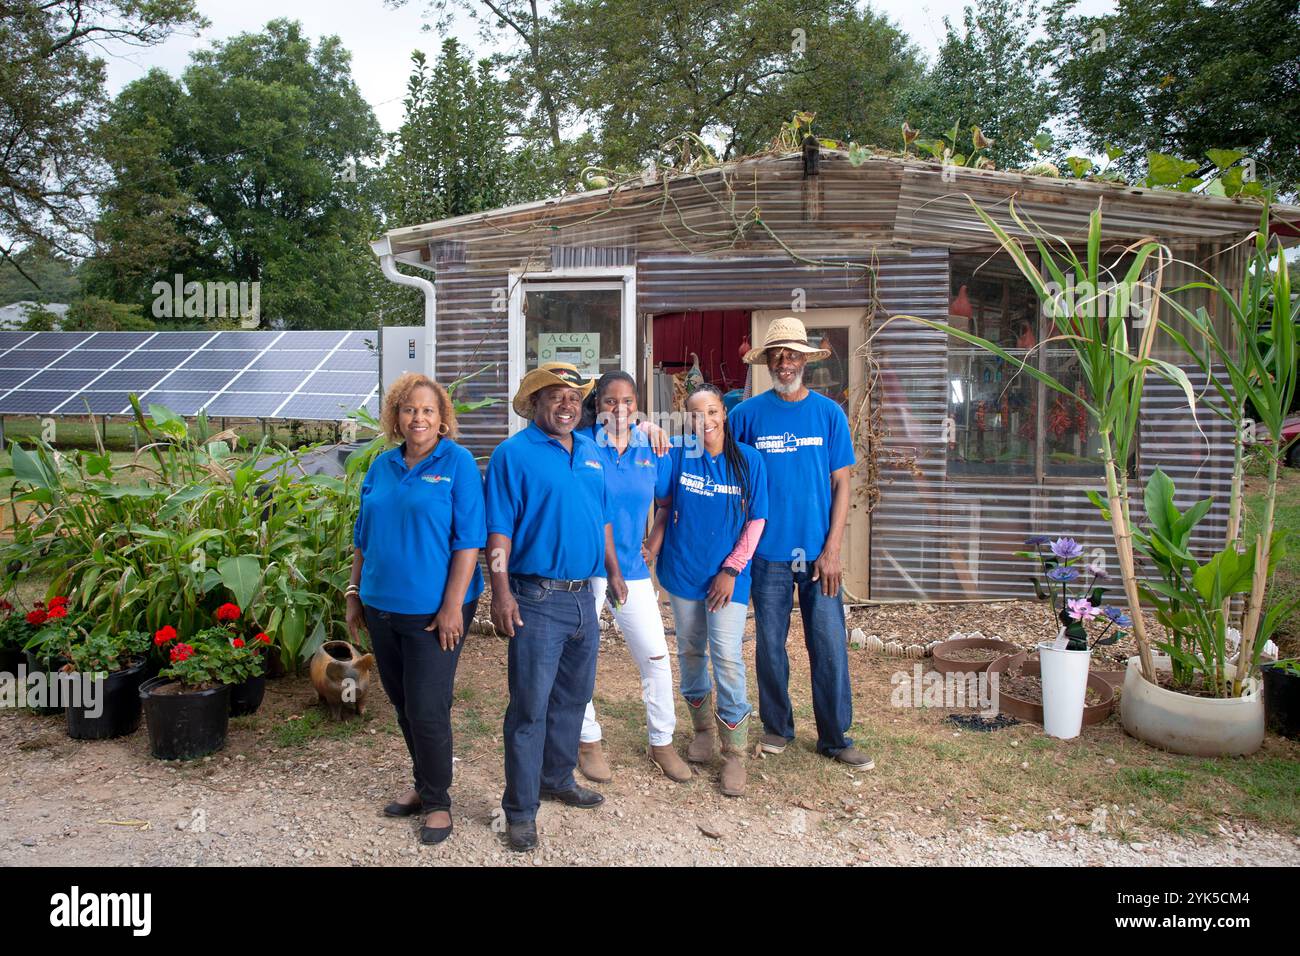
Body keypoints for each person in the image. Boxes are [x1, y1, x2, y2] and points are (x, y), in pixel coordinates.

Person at [484, 362, 628, 852]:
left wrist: (612, 570)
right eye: (556, 396)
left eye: (574, 397)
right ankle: (520, 810)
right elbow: (498, 529)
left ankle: (557, 778)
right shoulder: (513, 455)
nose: (567, 405)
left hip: (584, 596)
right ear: (536, 402)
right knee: (529, 707)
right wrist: (499, 591)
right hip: (535, 597)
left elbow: (602, 517)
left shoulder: (589, 450)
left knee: (573, 698)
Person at [346, 372, 486, 845]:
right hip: (381, 606)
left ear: (442, 418)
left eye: (428, 410)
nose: (418, 417)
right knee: (405, 704)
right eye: (409, 410)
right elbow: (362, 537)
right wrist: (353, 592)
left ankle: (439, 802)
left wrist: (451, 607)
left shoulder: (459, 463)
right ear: (396, 417)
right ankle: (424, 784)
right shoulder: (381, 466)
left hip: (434, 613)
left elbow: (469, 542)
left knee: (428, 707)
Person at [729, 317, 874, 769]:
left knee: (828, 645)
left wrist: (833, 550)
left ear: (805, 361)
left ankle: (835, 737)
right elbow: (729, 478)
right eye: (777, 354)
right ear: (768, 361)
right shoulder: (745, 416)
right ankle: (777, 728)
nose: (785, 361)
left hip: (817, 556)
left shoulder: (828, 414)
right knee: (770, 646)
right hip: (767, 555)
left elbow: (842, 485)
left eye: (793, 354)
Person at [645, 385, 767, 796]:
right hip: (682, 572)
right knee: (690, 650)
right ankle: (701, 731)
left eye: (713, 411)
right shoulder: (679, 453)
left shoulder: (749, 461)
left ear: (724, 414)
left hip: (727, 579)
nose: (706, 421)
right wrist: (648, 426)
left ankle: (735, 753)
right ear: (686, 419)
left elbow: (755, 523)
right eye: (696, 414)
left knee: (727, 656)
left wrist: (731, 569)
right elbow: (661, 499)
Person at [575, 372, 691, 784]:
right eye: (610, 402)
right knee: (581, 657)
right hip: (587, 568)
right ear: (597, 405)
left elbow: (666, 501)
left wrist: (654, 543)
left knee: (656, 658)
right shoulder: (582, 442)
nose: (619, 410)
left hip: (634, 569)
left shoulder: (651, 445)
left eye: (628, 402)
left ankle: (661, 742)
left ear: (638, 405)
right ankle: (587, 741)